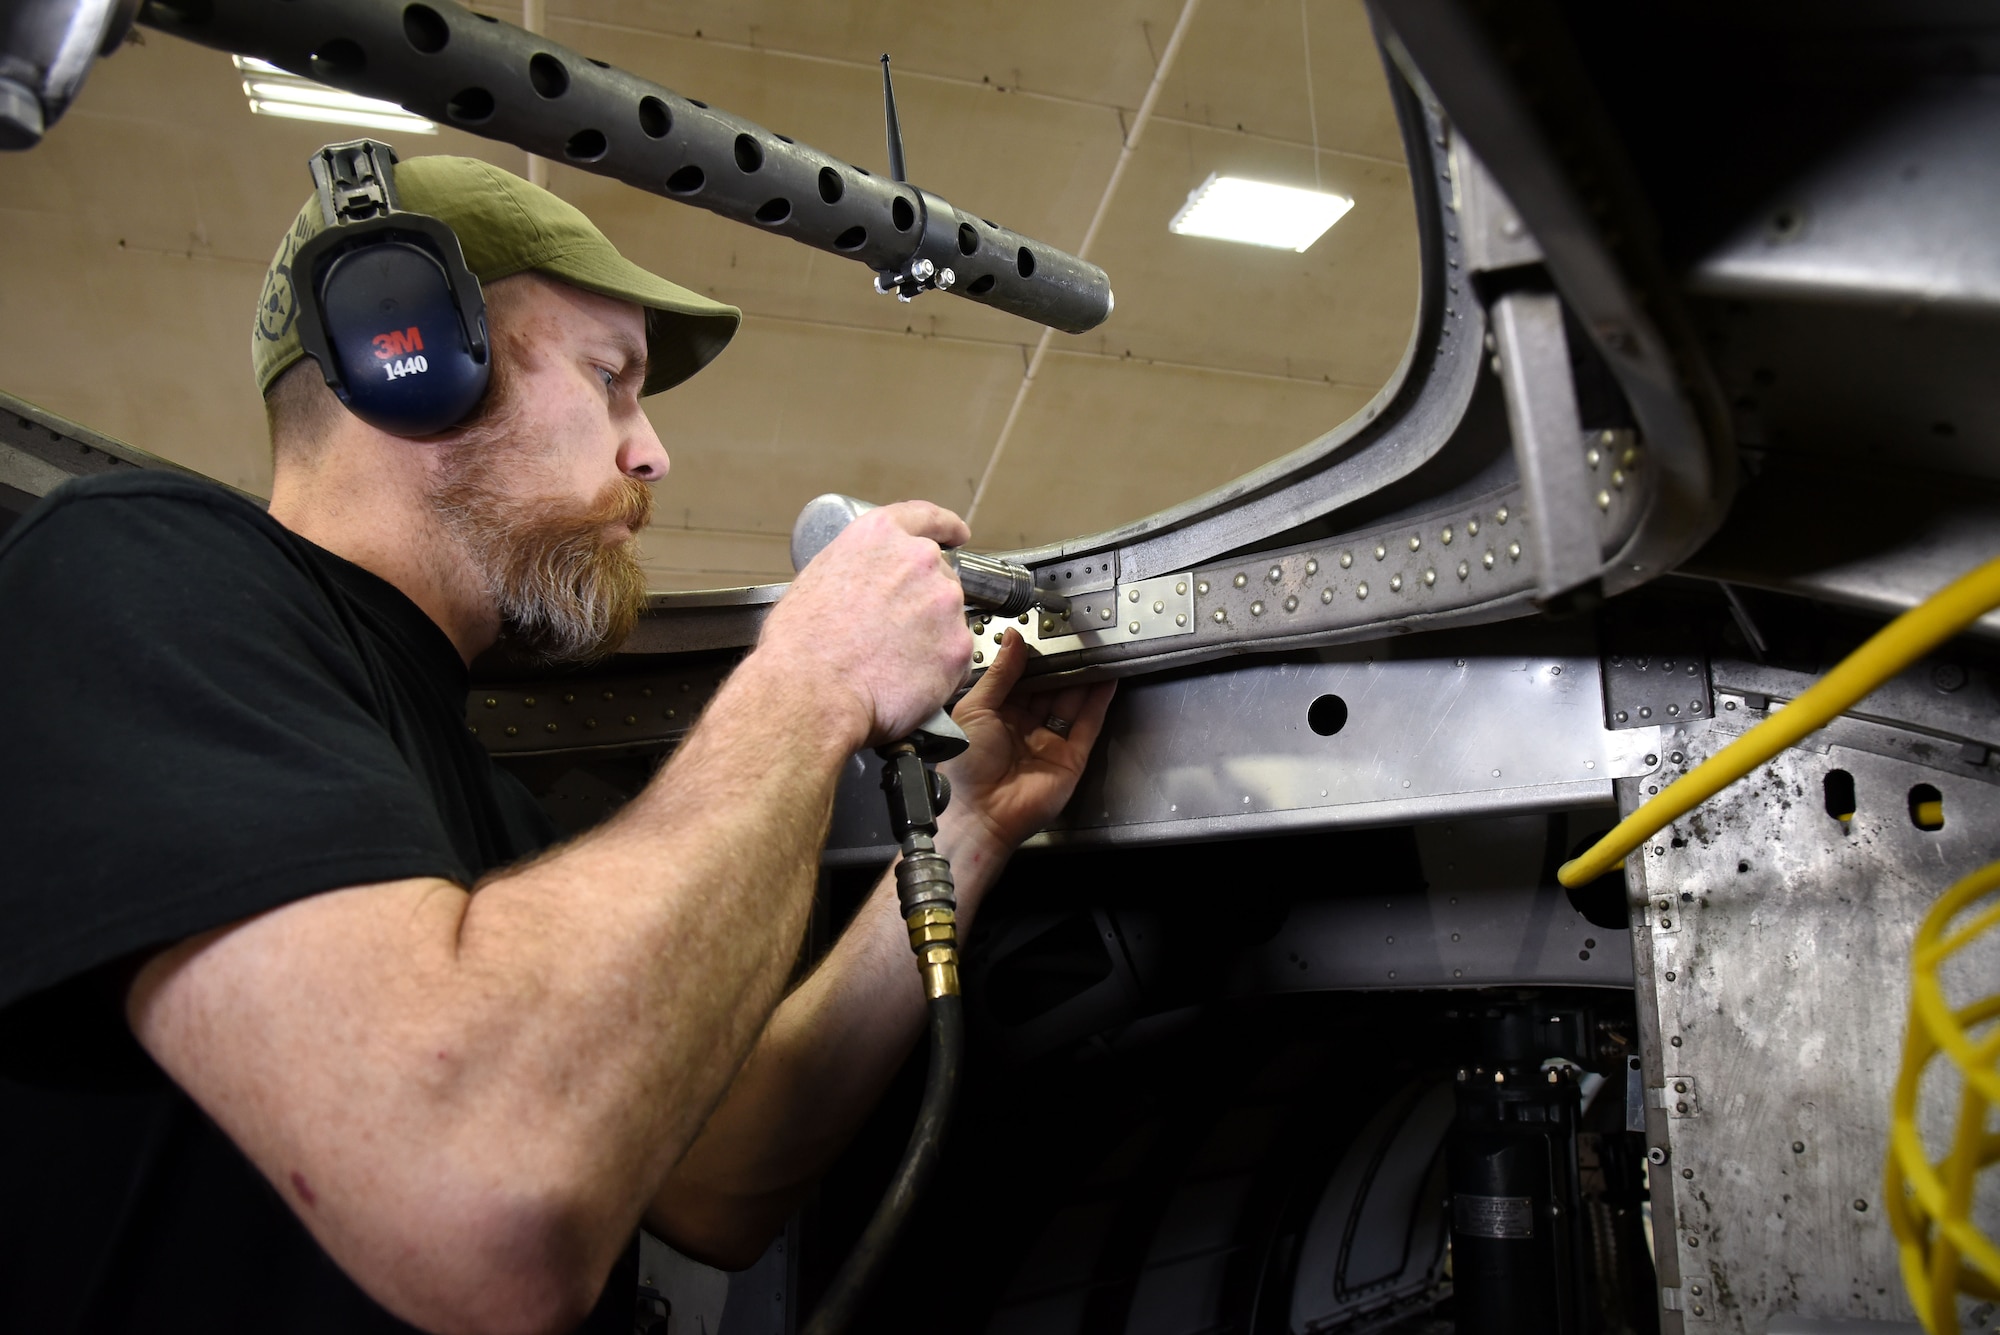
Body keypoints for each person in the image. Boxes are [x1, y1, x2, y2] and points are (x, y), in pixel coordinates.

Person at [0, 155, 1115, 1333]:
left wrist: (967, 828)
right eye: (609, 380)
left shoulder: (476, 806)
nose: (650, 455)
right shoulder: (139, 576)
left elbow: (716, 1175)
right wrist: (814, 680)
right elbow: (482, 1202)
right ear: (409, 354)